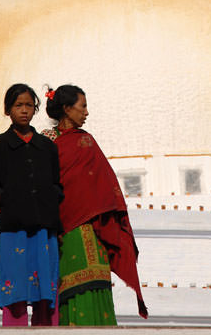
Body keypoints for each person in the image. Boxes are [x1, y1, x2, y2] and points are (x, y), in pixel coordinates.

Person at [42, 84, 148, 325]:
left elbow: (103, 185)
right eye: (83, 106)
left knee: (98, 283)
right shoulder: (45, 142)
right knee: (71, 288)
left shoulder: (86, 142)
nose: (87, 112)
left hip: (95, 227)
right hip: (63, 230)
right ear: (67, 109)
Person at [0, 83, 63, 327]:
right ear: (8, 110)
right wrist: (5, 198)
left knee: (45, 293)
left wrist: (50, 200)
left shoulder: (47, 147)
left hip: (43, 228)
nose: (24, 110)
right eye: (18, 105)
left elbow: (57, 184)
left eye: (29, 105)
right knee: (14, 288)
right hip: (13, 228)